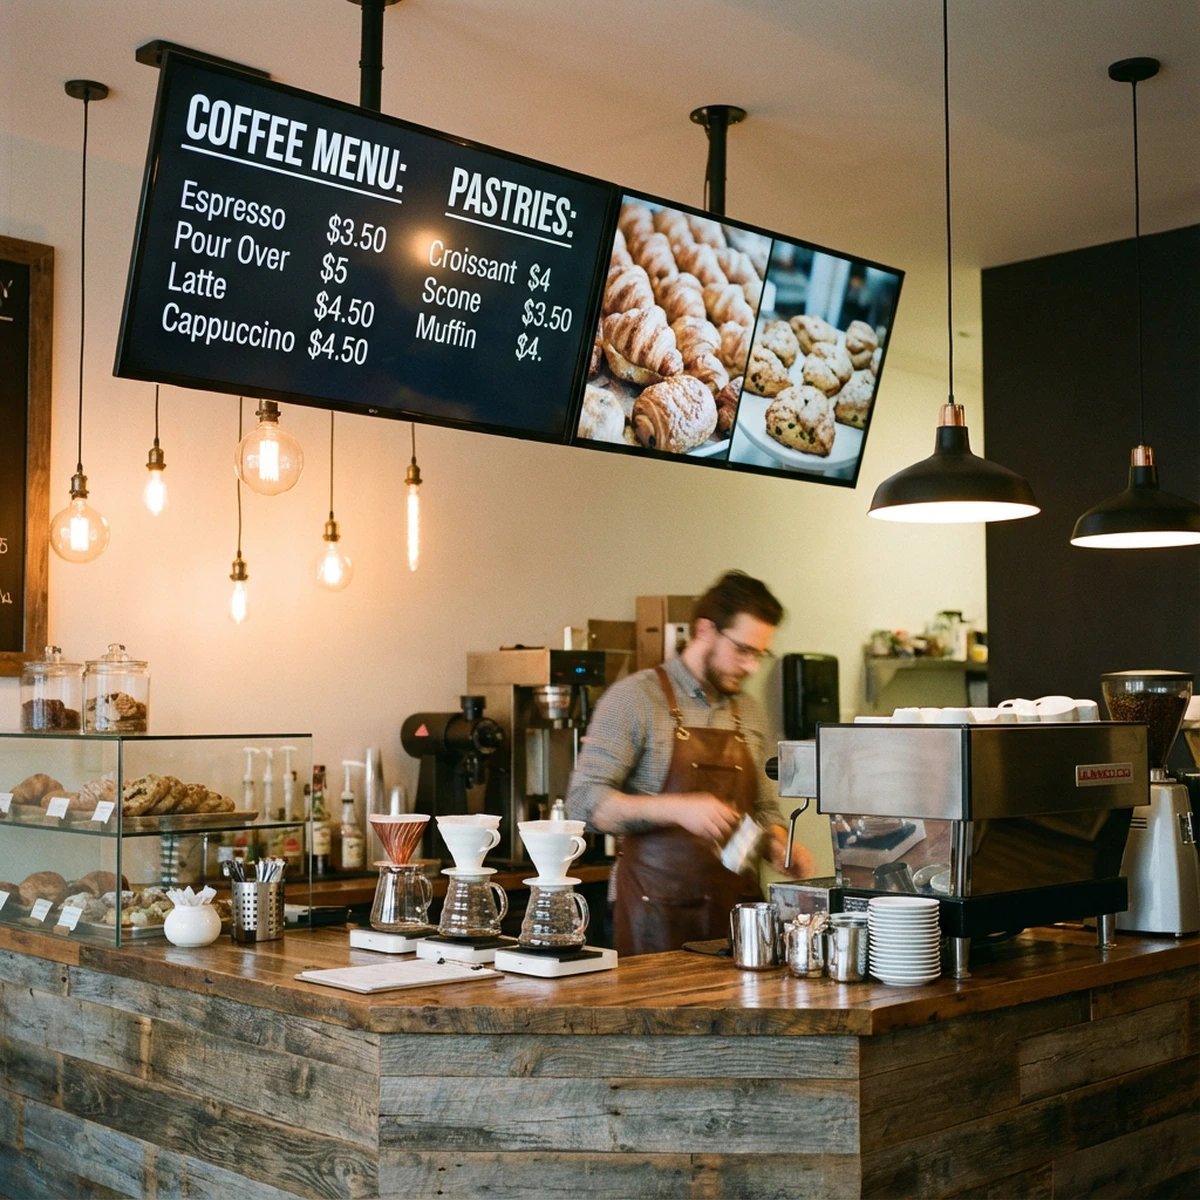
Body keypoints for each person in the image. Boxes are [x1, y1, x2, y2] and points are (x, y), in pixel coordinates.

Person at [566, 570, 817, 956]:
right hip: (653, 917)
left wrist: (781, 844)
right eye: (743, 650)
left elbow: (765, 809)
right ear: (705, 630)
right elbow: (583, 802)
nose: (751, 666)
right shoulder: (635, 699)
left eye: (759, 655)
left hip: (738, 920)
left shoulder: (749, 712)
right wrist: (677, 808)